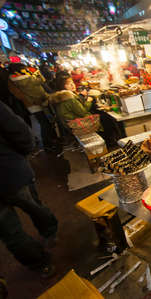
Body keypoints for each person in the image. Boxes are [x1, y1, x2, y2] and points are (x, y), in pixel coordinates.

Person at [0, 101, 58, 278]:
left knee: (10, 232)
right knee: (33, 206)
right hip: (10, 172)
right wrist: (21, 155)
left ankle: (40, 264)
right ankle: (50, 232)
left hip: (10, 171)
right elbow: (20, 131)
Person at [7, 63, 58, 151]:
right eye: (25, 68)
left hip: (31, 104)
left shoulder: (13, 80)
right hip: (37, 103)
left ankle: (51, 141)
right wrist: (37, 73)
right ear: (19, 70)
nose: (27, 69)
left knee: (45, 122)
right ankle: (48, 144)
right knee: (45, 123)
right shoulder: (27, 78)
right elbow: (41, 81)